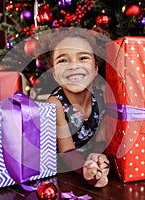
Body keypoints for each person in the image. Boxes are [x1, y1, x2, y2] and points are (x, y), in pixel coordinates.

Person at [35, 27, 111, 187]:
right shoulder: (55, 104)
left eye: (83, 58)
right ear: (54, 74)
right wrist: (85, 168)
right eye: (63, 60)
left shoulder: (101, 97)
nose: (73, 66)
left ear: (96, 68)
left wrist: (97, 157)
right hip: (65, 167)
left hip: (88, 157)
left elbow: (101, 137)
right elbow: (66, 151)